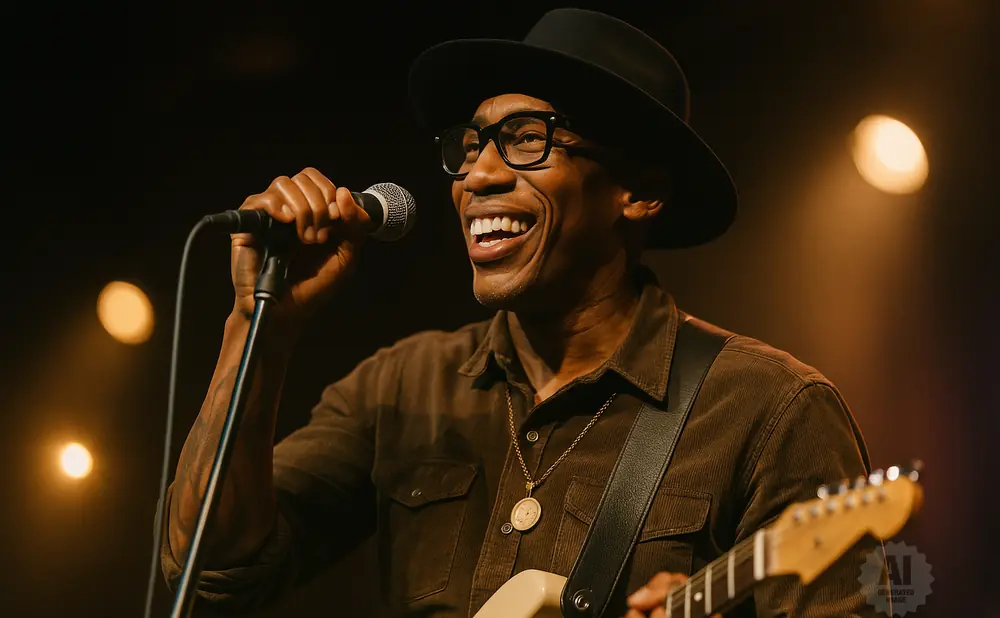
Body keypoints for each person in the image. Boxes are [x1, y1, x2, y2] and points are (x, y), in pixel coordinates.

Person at [160, 8, 885, 618]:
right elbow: (211, 575)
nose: (477, 175)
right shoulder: (403, 387)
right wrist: (259, 329)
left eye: (528, 139)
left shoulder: (769, 409)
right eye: (471, 144)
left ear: (637, 191)